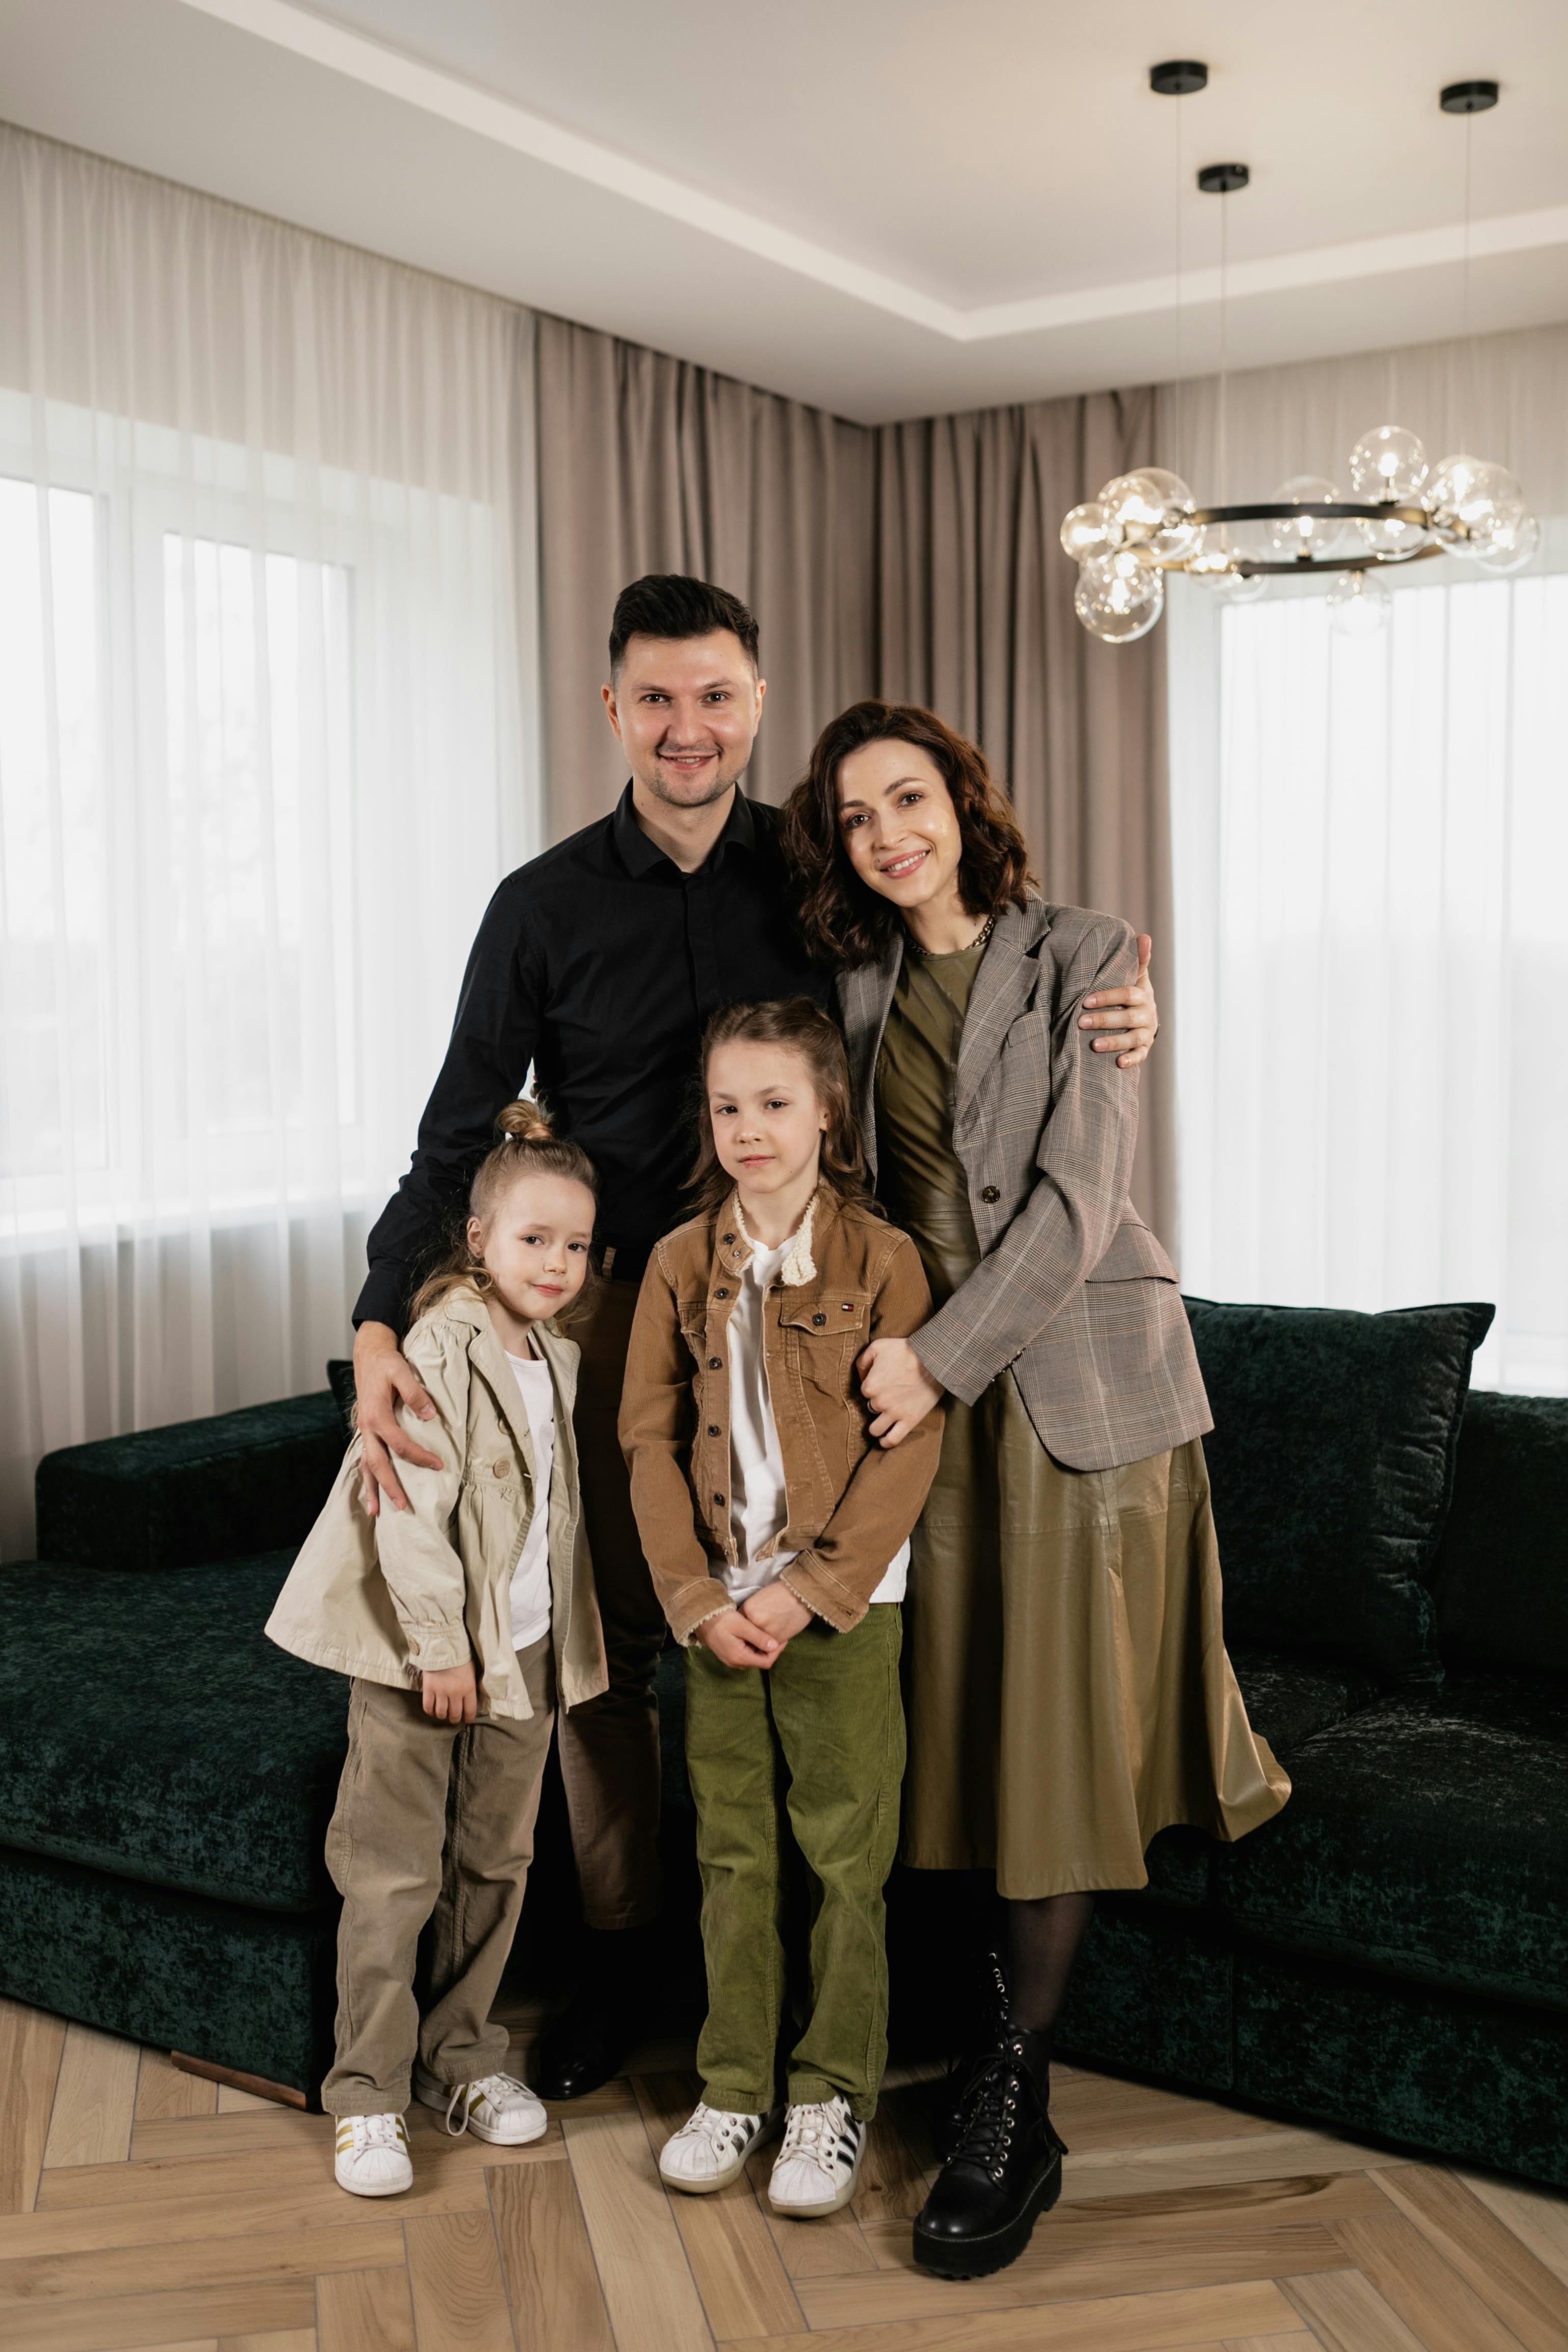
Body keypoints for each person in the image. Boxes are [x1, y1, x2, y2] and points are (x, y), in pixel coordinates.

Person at [347, 574, 1162, 2098]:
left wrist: (1110, 1002)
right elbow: (457, 1132)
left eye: (716, 695)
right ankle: (623, 1964)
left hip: (815, 1309)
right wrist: (381, 1313)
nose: (687, 726)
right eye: (655, 696)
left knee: (828, 1625)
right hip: (603, 1318)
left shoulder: (824, 881)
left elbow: (961, 957)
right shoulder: (536, 905)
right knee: (610, 1666)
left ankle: (857, 1981)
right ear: (612, 711)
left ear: (757, 706)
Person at [780, 701, 1290, 2280]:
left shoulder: (1088, 951)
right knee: (954, 1717)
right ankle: (946, 2036)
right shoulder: (849, 980)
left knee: (1056, 1732)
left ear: (963, 798)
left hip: (1065, 1387)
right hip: (924, 1397)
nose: (889, 833)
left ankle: (1022, 2090)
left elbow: (1076, 1206)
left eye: (909, 797)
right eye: (858, 814)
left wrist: (937, 1359)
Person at [619, 998, 943, 2214]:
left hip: (842, 1609)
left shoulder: (883, 1260)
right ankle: (735, 2082)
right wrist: (699, 1600)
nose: (748, 1129)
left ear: (825, 1109)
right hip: (719, 1614)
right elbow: (646, 1444)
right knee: (733, 1849)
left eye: (773, 1102)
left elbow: (907, 1450)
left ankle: (828, 2096)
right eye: (727, 1105)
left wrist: (810, 1591)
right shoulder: (671, 1263)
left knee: (845, 1855)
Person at [266, 1102, 608, 2196]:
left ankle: (459, 2059)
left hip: (522, 1660)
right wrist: (439, 1649)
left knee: (494, 1866)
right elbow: (407, 1504)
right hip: (427, 1659)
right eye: (532, 1239)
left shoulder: (557, 1353)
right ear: (477, 1239)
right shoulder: (439, 1344)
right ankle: (367, 2090)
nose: (555, 1263)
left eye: (574, 1244)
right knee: (392, 1869)